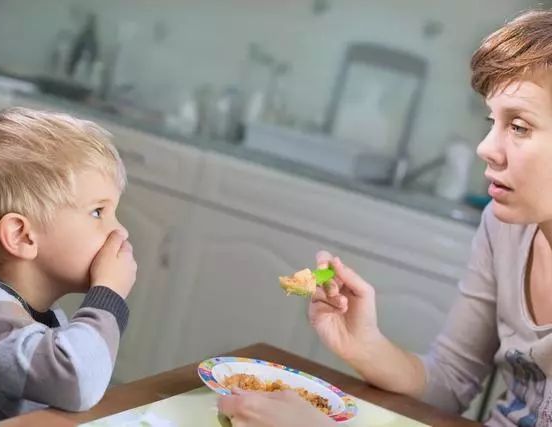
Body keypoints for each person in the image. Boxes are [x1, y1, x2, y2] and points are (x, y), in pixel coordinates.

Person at [219, 9, 552, 426]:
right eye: (493, 122)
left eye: (518, 126)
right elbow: (449, 384)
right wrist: (365, 346)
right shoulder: (502, 228)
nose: (486, 147)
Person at [0, 107, 137, 424]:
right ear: (21, 236)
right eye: (98, 212)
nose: (120, 231)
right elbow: (78, 384)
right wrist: (108, 294)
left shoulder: (34, 311)